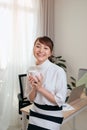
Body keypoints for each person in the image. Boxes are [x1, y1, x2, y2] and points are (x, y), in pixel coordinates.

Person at [25, 36, 67, 130]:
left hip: (52, 116)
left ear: (50, 53)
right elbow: (31, 99)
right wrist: (35, 88)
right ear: (33, 49)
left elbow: (59, 100)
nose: (41, 50)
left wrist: (40, 88)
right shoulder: (30, 70)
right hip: (35, 112)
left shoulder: (58, 71)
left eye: (46, 48)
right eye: (38, 46)